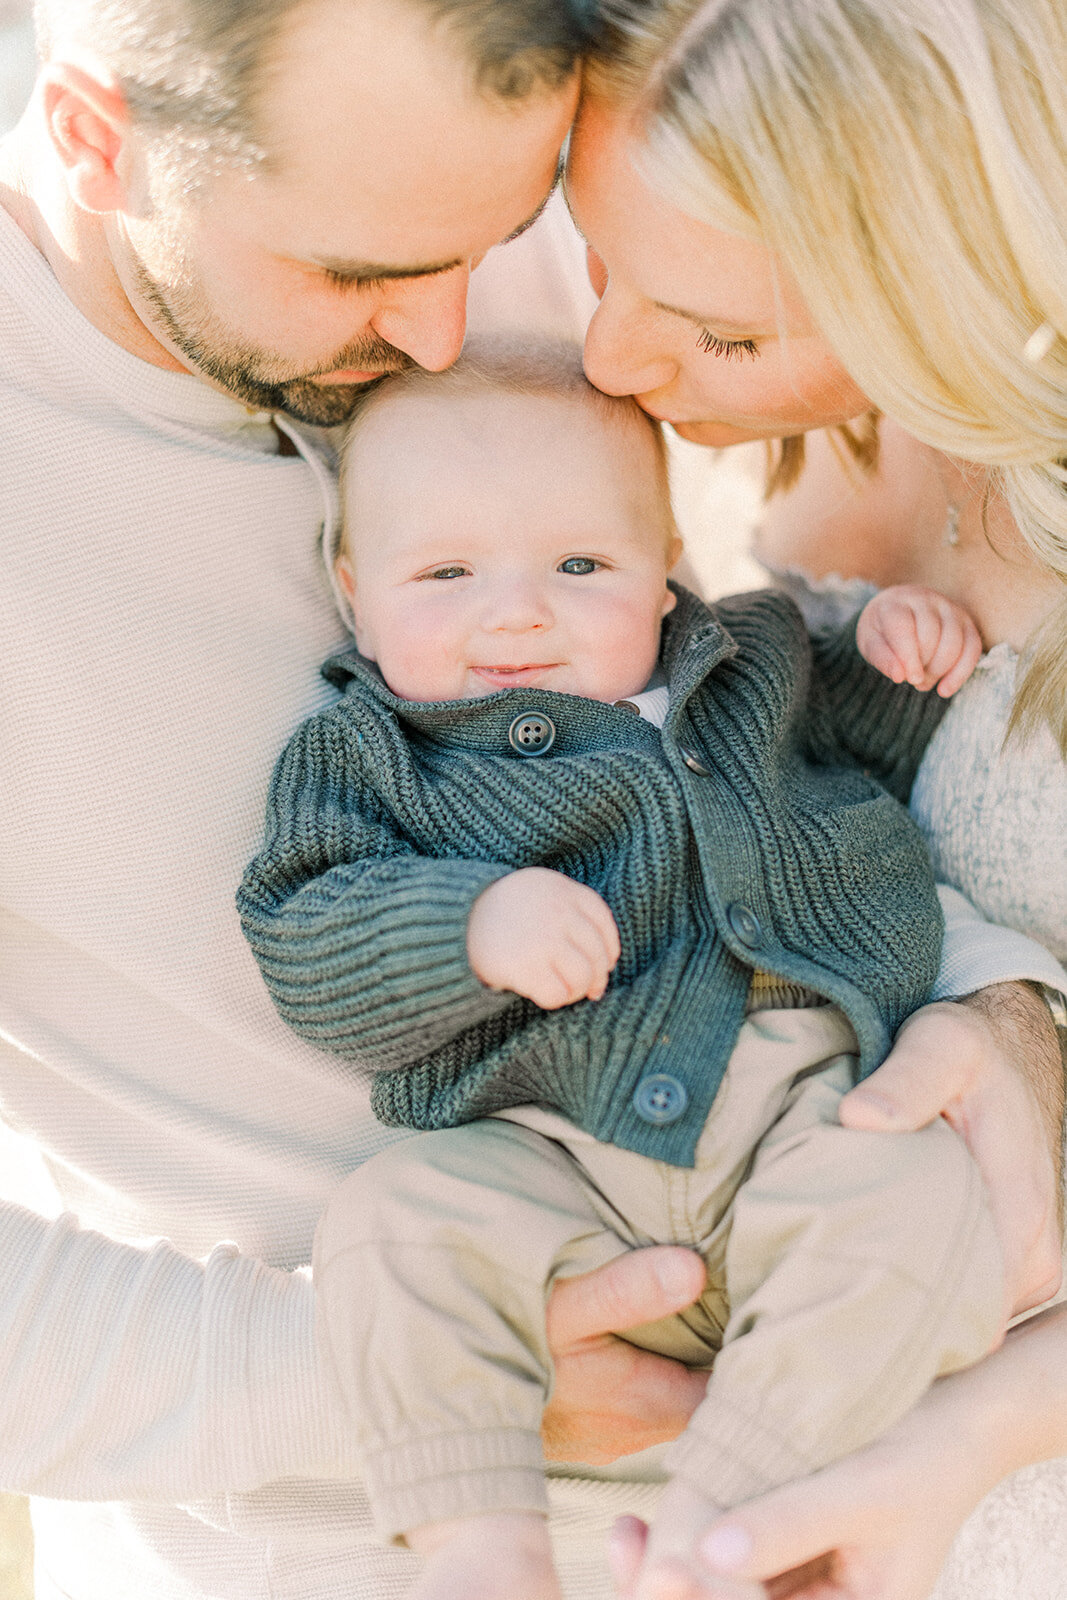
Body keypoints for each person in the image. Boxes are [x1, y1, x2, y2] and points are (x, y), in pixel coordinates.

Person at [0, 0, 1058, 1596]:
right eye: (356, 273)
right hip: (332, 1546)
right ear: (96, 138)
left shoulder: (521, 227)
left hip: (839, 1425)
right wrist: (369, 1366)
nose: (454, 333)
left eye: (509, 234)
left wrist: (1001, 1008)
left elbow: (779, 725)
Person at [557, 0, 1067, 1594]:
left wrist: (971, 1439)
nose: (610, 363)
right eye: (595, 261)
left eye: (719, 334)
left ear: (954, 287)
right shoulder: (755, 443)